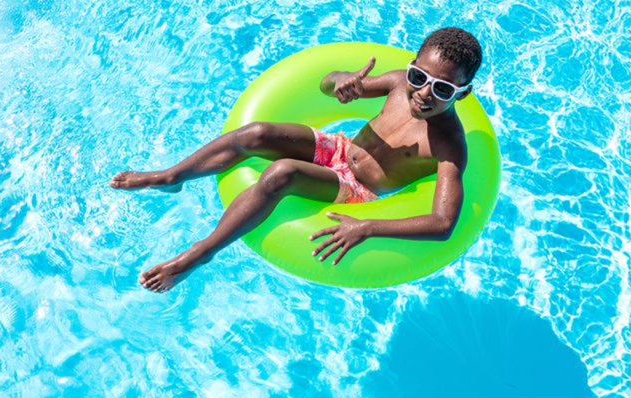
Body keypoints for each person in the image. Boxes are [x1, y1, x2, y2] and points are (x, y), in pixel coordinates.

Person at [109, 27, 483, 293]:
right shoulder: (399, 82)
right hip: (339, 148)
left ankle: (199, 254)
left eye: (443, 89)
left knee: (282, 173)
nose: (424, 92)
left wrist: (366, 227)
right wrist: (342, 80)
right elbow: (325, 84)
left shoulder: (449, 144)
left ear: (462, 94)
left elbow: (443, 223)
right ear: (412, 65)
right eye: (420, 76)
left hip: (357, 188)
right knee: (256, 133)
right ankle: (172, 176)